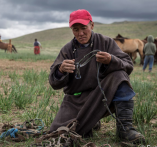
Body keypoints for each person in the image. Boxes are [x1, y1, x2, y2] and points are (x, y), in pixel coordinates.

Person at [48, 9, 145, 145]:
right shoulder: (67, 49)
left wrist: (111, 60)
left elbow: (128, 65)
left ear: (91, 25)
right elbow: (53, 82)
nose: (80, 33)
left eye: (84, 28)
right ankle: (91, 122)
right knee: (58, 132)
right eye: (76, 29)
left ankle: (125, 129)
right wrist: (60, 70)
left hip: (102, 94)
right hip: (76, 100)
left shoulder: (106, 42)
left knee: (119, 75)